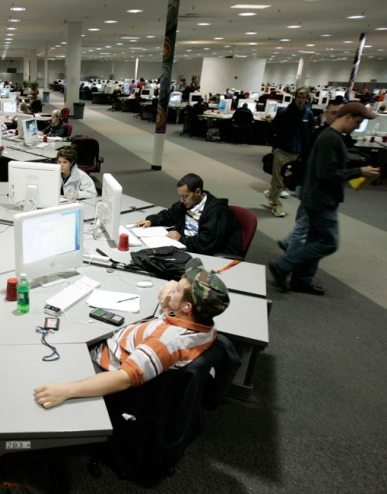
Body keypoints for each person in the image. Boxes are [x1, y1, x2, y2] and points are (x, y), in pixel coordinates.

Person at [34, 258, 229, 409]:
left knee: (39, 354)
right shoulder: (204, 323)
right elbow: (192, 279)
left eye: (176, 290)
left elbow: (123, 378)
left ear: (187, 307)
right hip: (119, 344)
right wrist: (173, 296)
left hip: (102, 365)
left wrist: (66, 391)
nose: (171, 290)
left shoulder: (166, 342)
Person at [268, 102, 380, 295]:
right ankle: (283, 266)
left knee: (315, 240)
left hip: (320, 197)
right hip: (321, 199)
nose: (357, 127)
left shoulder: (333, 137)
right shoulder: (330, 139)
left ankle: (301, 280)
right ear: (348, 117)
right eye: (357, 122)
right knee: (328, 242)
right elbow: (326, 174)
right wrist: (358, 171)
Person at [278, 97, 345, 254]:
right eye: (333, 113)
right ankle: (289, 261)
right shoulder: (325, 136)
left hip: (312, 188)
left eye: (339, 113)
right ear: (326, 113)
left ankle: (288, 245)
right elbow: (323, 171)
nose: (336, 116)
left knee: (304, 223)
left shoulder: (330, 134)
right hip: (312, 188)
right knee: (304, 227)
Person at [136, 173, 242, 257]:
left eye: (185, 196)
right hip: (185, 247)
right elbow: (169, 214)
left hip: (205, 254)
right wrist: (151, 221)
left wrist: (180, 239)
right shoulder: (187, 203)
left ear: (198, 192)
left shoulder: (217, 211)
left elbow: (207, 243)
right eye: (180, 196)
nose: (182, 201)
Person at [266, 87, 314, 217]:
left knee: (290, 179)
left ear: (306, 99)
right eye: (299, 97)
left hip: (298, 153)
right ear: (295, 97)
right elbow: (272, 129)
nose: (301, 100)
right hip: (282, 150)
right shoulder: (284, 113)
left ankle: (272, 194)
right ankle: (276, 204)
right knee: (278, 179)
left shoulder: (308, 114)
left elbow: (309, 134)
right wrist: (274, 146)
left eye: (303, 98)